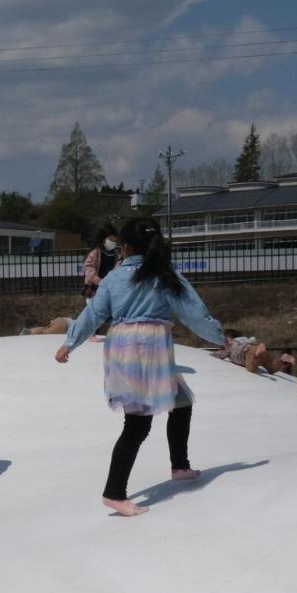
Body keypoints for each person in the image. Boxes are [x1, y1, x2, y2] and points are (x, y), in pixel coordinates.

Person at [55, 216, 225, 517]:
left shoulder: (115, 279)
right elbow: (194, 314)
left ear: (126, 248)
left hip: (124, 350)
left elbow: (93, 315)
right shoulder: (165, 275)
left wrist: (70, 342)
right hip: (149, 351)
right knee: (137, 425)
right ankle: (114, 492)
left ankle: (179, 466)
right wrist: (219, 337)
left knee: (181, 402)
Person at [82, 225, 120, 299]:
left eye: (115, 241)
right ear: (103, 239)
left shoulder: (114, 253)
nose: (113, 243)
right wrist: (95, 279)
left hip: (109, 286)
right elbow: (88, 267)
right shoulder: (95, 252)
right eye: (111, 240)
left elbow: (116, 267)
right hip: (96, 288)